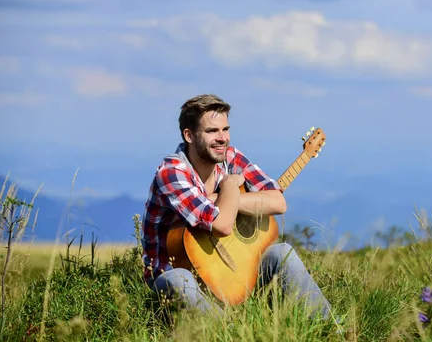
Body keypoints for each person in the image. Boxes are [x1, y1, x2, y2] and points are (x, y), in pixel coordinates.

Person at [140, 94, 333, 319]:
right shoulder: (172, 172)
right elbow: (222, 224)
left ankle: (335, 332)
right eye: (212, 131)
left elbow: (277, 202)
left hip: (232, 271)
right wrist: (230, 184)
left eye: (225, 129)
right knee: (177, 281)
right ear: (189, 135)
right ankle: (228, 332)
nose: (222, 138)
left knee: (282, 252)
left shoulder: (231, 157)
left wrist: (226, 200)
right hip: (181, 280)